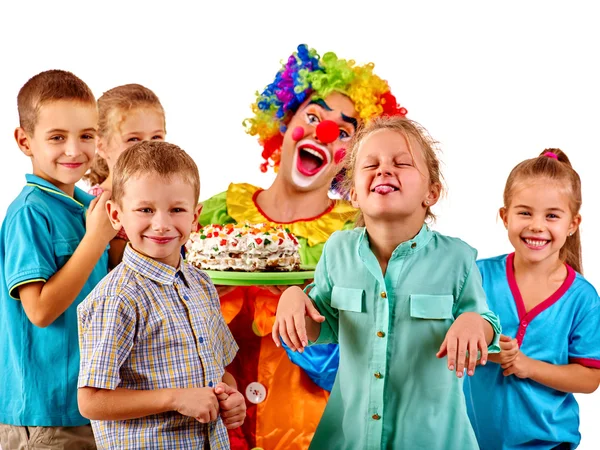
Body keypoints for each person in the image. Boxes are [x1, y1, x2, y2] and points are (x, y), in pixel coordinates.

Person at [199, 43, 407, 449]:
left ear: (355, 157)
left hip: (314, 432)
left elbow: (378, 351)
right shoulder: (219, 215)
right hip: (216, 425)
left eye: (344, 131)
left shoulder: (357, 234)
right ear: (283, 119)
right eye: (312, 116)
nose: (323, 132)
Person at [273, 116, 502, 449]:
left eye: (402, 163)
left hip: (435, 439)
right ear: (353, 194)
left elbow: (486, 324)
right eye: (371, 165)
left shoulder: (457, 258)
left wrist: (473, 323)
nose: (383, 170)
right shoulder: (337, 249)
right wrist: (293, 297)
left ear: (431, 192)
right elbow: (318, 327)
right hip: (350, 438)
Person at [77, 141, 246, 450]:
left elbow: (219, 371)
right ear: (116, 215)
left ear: (195, 217)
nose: (162, 224)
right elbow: (91, 401)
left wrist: (230, 397)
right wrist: (176, 398)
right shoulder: (118, 298)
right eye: (145, 209)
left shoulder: (201, 284)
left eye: (177, 210)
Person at [0, 70, 114, 450]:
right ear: (25, 141)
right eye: (57, 138)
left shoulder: (85, 205)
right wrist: (97, 238)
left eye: (86, 135)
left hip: (91, 405)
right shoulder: (29, 213)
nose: (74, 150)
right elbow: (40, 311)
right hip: (45, 413)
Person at [464, 149, 600, 450]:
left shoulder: (583, 298)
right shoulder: (476, 276)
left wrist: (527, 366)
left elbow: (590, 378)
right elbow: (443, 339)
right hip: (471, 441)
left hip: (548, 443)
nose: (537, 225)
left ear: (573, 224)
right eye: (524, 212)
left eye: (552, 216)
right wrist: (485, 349)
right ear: (505, 216)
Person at [83, 83, 166, 268]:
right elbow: (125, 264)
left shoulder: (168, 195)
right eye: (133, 139)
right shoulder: (101, 203)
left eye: (156, 137)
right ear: (101, 146)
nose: (148, 148)